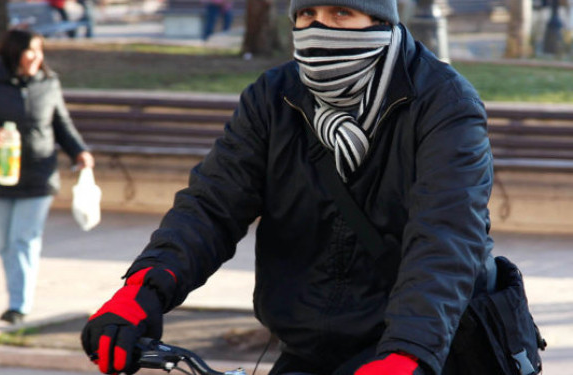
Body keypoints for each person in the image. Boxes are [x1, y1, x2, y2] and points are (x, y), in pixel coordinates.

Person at [81, 1, 497, 374]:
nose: (320, 29)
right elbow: (212, 206)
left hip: (418, 351)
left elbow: (446, 237)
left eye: (340, 14)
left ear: (380, 19)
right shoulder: (273, 96)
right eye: (307, 15)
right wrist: (144, 290)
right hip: (309, 350)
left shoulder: (445, 102)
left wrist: (407, 352)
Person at [0, 29, 94, 325]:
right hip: (1, 173)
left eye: (40, 51)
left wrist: (79, 152)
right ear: (14, 53)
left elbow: (61, 123)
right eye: (31, 51)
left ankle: (19, 304)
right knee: (6, 242)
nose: (37, 57)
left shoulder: (49, 83)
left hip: (39, 172)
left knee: (24, 239)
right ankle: (16, 297)